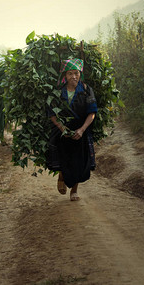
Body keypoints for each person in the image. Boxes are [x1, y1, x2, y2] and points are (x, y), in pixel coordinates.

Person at [46, 58, 97, 201]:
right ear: (65, 76)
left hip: (81, 130)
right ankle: (62, 175)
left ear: (80, 74)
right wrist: (63, 129)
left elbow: (92, 113)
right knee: (63, 158)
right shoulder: (57, 92)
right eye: (70, 74)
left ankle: (74, 190)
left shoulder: (86, 90)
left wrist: (81, 130)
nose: (74, 77)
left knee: (79, 162)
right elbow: (51, 114)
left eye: (76, 73)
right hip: (62, 131)